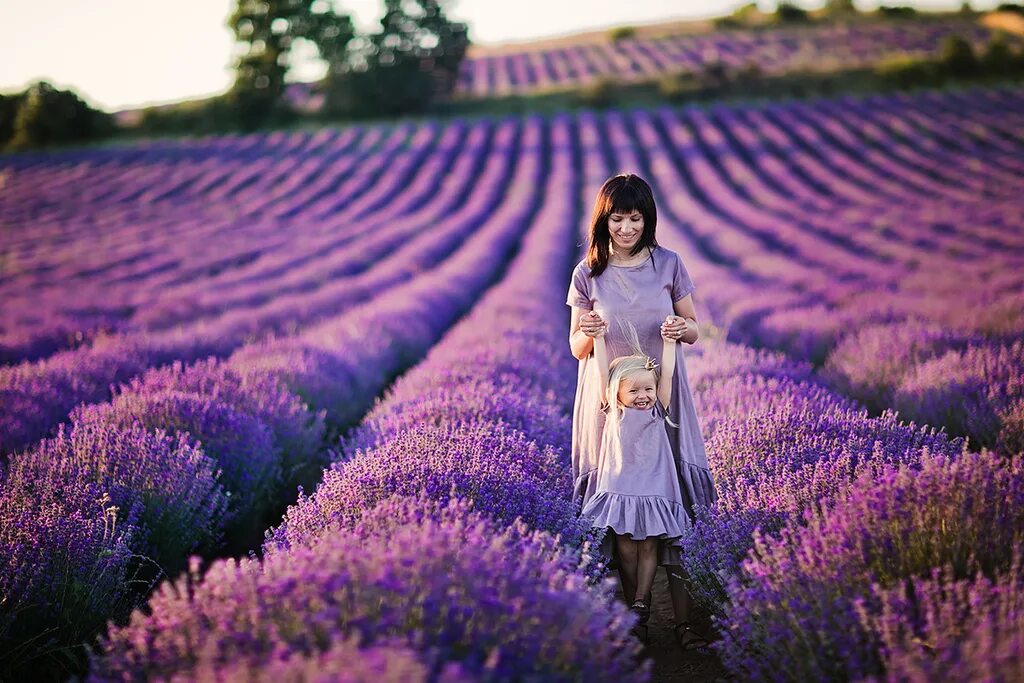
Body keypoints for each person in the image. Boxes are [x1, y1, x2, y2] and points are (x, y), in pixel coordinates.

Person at [566, 172, 717, 652]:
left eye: (635, 218)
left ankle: (686, 620)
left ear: (647, 218)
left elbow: (695, 329)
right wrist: (589, 330)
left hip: (664, 398)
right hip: (607, 402)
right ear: (603, 220)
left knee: (672, 496)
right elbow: (575, 348)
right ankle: (622, 617)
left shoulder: (668, 264)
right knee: (614, 500)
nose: (627, 228)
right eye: (618, 219)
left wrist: (680, 328)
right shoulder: (587, 273)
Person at [580, 317, 691, 642]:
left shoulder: (658, 408)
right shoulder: (613, 410)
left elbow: (666, 373)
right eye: (635, 390)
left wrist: (669, 342)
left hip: (654, 486)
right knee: (627, 548)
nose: (644, 395)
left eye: (648, 388)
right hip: (622, 485)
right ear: (618, 393)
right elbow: (602, 372)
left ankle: (642, 599)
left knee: (650, 544)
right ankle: (636, 604)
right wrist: (598, 339)